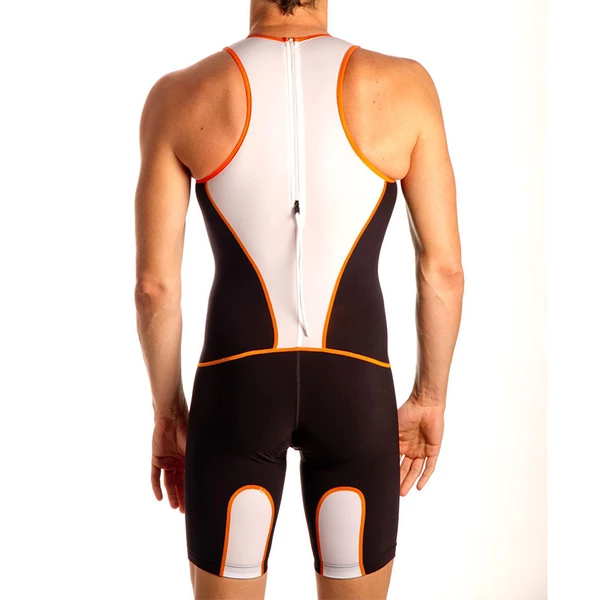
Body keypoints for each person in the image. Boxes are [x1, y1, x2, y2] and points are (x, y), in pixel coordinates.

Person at [134, 0, 463, 598]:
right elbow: (442, 269)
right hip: (357, 383)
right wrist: (429, 397)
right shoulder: (405, 87)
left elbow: (155, 288)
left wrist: (169, 414)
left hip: (235, 383)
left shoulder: (180, 95)